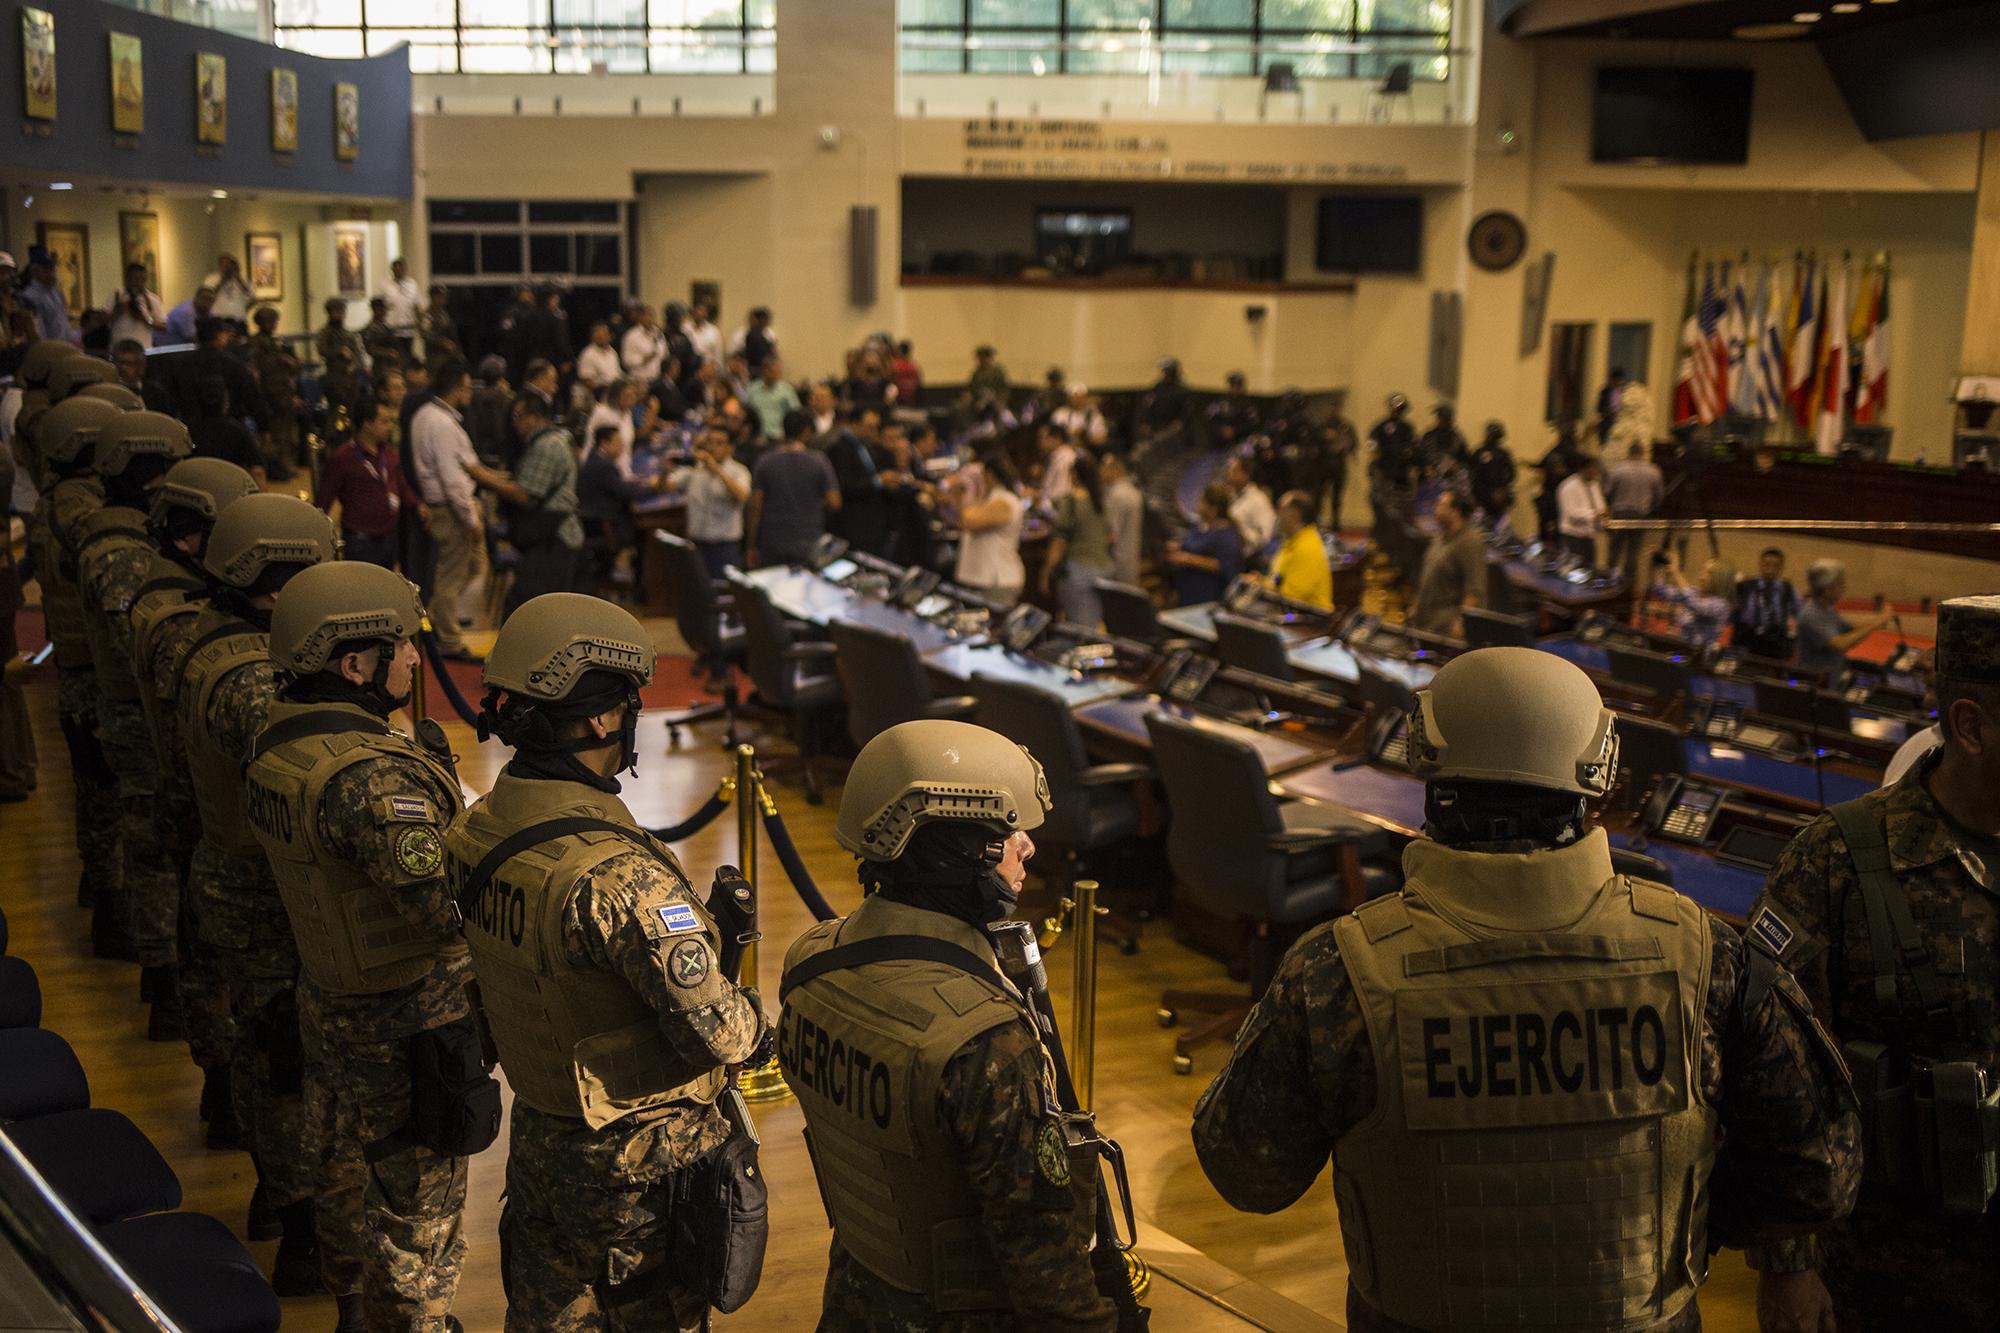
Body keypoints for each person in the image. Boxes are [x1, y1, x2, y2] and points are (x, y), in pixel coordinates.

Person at [1193, 647, 1862, 1333]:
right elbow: (1818, 1168)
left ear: (1427, 766)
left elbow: (1246, 1172)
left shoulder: (1337, 972)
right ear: (1596, 777)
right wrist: (1685, 1214)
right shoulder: (1707, 958)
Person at [447, 593, 769, 1331]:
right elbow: (721, 1035)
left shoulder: (477, 829)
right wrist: (755, 1017)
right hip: (635, 1180)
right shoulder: (618, 874)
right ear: (600, 718)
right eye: (630, 702)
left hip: (541, 1142)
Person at [781, 719, 1120, 1331]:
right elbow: (1046, 1272)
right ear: (955, 849)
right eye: (1008, 830)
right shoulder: (984, 1041)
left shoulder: (808, 963)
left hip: (855, 1298)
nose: (1029, 847)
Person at [1748, 595, 2000, 1330]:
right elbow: (1770, 1072)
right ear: (1971, 726)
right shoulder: (1837, 861)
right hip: (1894, 1278)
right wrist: (1788, 1264)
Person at [245, 562, 485, 1333]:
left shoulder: (279, 736)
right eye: (402, 647)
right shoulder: (374, 778)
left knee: (344, 1171)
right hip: (408, 1021)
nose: (415, 661)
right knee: (419, 1208)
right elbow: (445, 914)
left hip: (329, 998)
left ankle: (355, 1309)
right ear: (355, 664)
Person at [176, 493, 342, 1295]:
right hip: (264, 894)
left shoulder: (211, 642)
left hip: (229, 872)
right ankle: (304, 1225)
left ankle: (284, 1199)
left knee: (263, 1049)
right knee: (285, 1061)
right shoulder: (255, 681)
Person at [130, 457, 260, 1125]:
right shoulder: (225, 651)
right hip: (218, 825)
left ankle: (218, 1086)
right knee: (229, 973)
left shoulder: (173, 609)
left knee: (202, 951)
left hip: (184, 802)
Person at [78, 411, 193, 1035]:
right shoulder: (123, 554)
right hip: (137, 725)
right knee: (155, 853)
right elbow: (142, 652)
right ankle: (165, 980)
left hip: (132, 719)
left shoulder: (119, 538)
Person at [35, 393, 131, 955]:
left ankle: (102, 890)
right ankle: (112, 909)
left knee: (94, 794)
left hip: (76, 670)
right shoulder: (82, 515)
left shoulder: (57, 502)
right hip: (93, 676)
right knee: (105, 798)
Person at [409, 361, 508, 662]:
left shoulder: (426, 416)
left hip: (450, 505)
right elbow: (453, 480)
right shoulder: (441, 424)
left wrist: (503, 481)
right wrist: (470, 518)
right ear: (455, 389)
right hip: (452, 509)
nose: (469, 393)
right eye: (466, 387)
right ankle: (448, 639)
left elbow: (471, 465)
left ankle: (440, 618)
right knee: (452, 575)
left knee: (471, 568)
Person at [317, 398, 426, 569]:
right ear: (367, 424)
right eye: (384, 422)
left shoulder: (388, 453)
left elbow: (401, 485)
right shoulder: (343, 458)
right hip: (360, 542)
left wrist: (418, 505)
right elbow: (324, 500)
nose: (389, 426)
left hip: (389, 538)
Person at [502, 391, 585, 613]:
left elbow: (525, 494)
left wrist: (480, 476)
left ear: (534, 416)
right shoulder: (552, 440)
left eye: (518, 417)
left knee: (526, 609)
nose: (516, 424)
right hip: (550, 535)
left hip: (553, 538)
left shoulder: (548, 444)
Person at [747, 408, 840, 568]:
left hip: (772, 541)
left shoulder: (765, 461)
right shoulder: (819, 461)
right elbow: (835, 502)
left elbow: (755, 507)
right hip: (809, 539)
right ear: (806, 432)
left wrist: (751, 546)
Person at [1041, 452, 1113, 628]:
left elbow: (1058, 544)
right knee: (1093, 622)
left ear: (1074, 475)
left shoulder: (1071, 502)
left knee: (1079, 629)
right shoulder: (1100, 501)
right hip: (1104, 568)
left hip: (1078, 570)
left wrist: (1045, 573)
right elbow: (1111, 536)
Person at [1795, 559, 1890, 684]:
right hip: (1815, 687)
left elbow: (1851, 630)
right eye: (1840, 584)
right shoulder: (1811, 614)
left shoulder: (1827, 609)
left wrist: (1877, 621)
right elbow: (1841, 644)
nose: (1844, 588)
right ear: (1827, 587)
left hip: (1831, 681)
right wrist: (1875, 623)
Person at [952, 451, 1028, 606]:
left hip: (998, 580)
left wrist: (960, 495)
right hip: (985, 580)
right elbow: (963, 520)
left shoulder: (1004, 501)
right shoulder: (991, 499)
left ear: (990, 474)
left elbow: (969, 522)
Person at [1407, 490, 1487, 637]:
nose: (1435, 509)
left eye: (1441, 505)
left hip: (1444, 624)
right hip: (1426, 619)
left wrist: (1460, 622)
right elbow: (1427, 574)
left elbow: (1474, 590)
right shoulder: (1440, 537)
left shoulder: (1470, 542)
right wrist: (1416, 604)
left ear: (1454, 512)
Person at [1163, 481, 1242, 607]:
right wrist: (1178, 547)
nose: (1197, 503)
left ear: (1213, 509)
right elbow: (1190, 546)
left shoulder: (1226, 535)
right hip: (1187, 594)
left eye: (1201, 501)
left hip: (1207, 598)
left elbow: (1224, 566)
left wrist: (1187, 559)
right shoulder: (1200, 526)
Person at [248, 306, 303, 479]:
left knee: (288, 433)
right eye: (270, 321)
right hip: (269, 392)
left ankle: (286, 464)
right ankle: (274, 467)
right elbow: (257, 367)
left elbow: (295, 364)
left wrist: (292, 363)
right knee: (274, 433)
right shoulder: (256, 343)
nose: (273, 325)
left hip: (285, 391)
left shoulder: (278, 341)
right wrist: (279, 361)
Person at [1649, 549, 1736, 651]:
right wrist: (1656, 566)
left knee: (1672, 661)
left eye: (1708, 572)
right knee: (1664, 658)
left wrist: (1676, 572)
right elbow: (1660, 590)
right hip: (1679, 653)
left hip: (1697, 660)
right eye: (1703, 569)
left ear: (1719, 578)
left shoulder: (1722, 605)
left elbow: (1696, 606)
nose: (1701, 575)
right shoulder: (1695, 592)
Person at [1264, 489, 1333, 609]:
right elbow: (1278, 580)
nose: (1276, 514)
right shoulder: (1292, 542)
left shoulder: (1307, 548)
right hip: (1287, 614)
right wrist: (1261, 582)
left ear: (1294, 514)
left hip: (1306, 622)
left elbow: (1292, 598)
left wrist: (1262, 587)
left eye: (1281, 509)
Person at [1604, 440, 1664, 576]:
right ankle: (1628, 585)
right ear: (1642, 453)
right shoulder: (1653, 471)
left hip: (1620, 514)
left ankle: (1608, 581)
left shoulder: (1618, 470)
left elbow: (1607, 493)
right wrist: (1651, 509)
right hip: (1641, 515)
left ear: (1629, 452)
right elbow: (1659, 496)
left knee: (1615, 550)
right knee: (1633, 551)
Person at [1733, 547, 1803, 662]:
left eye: (1775, 566)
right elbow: (1733, 612)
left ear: (1781, 568)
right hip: (1746, 640)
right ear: (1760, 564)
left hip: (1776, 644)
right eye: (1766, 564)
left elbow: (1800, 614)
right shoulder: (1745, 586)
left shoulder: (1788, 589)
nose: (1770, 569)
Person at [316, 297, 365, 429]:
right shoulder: (325, 333)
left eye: (342, 310)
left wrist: (354, 364)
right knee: (336, 416)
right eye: (337, 311)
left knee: (352, 414)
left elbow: (358, 354)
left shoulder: (348, 334)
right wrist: (339, 351)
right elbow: (322, 350)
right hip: (335, 378)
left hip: (351, 378)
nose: (341, 314)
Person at [1554, 452, 1607, 566]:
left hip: (1589, 537)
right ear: (1583, 469)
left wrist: (1602, 521)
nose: (1595, 473)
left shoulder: (1594, 485)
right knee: (1575, 572)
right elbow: (1572, 514)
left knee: (1590, 571)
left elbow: (1600, 507)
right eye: (1593, 469)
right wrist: (1595, 514)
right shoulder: (1568, 487)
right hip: (1573, 538)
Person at [1100, 451, 1144, 588]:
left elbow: (1111, 534)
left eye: (1103, 466)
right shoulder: (1133, 491)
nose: (1100, 470)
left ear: (1115, 469)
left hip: (1117, 561)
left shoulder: (1117, 495)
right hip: (1131, 556)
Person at [1223, 454, 1276, 558]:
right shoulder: (1226, 496)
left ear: (1246, 474)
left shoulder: (1258, 500)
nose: (1228, 474)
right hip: (1225, 550)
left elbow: (1266, 538)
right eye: (1228, 470)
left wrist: (1240, 531)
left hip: (1246, 557)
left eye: (1233, 471)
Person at [107, 261, 167, 348]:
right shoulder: (116, 295)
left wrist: (146, 319)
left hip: (144, 349)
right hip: (119, 349)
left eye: (142, 279)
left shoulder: (152, 299)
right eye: (135, 279)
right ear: (127, 278)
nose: (139, 283)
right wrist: (118, 311)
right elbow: (103, 321)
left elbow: (164, 327)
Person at [744, 355, 800, 445]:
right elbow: (746, 411)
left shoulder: (786, 390)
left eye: (778, 370)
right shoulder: (752, 389)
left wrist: (787, 433)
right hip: (756, 437)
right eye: (773, 370)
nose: (777, 373)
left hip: (779, 437)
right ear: (764, 370)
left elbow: (795, 413)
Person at [1466, 421, 1516, 521]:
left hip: (1497, 499)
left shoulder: (1504, 454)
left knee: (1496, 526)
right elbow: (1470, 471)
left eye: (1489, 434)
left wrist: (1501, 492)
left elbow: (1511, 474)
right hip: (1480, 497)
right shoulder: (1479, 452)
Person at [1367, 393, 1417, 492]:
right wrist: (1375, 452)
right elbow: (1371, 441)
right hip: (1383, 469)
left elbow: (1413, 445)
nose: (1396, 412)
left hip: (1402, 471)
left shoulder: (1407, 427)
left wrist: (1409, 454)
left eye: (1400, 409)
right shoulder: (1381, 426)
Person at [19, 248, 71, 341]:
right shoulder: (30, 296)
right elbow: (39, 330)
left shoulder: (54, 291)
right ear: (34, 271)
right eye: (46, 270)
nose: (52, 274)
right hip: (48, 349)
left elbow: (63, 321)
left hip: (64, 347)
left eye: (53, 270)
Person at [378, 257, 422, 359]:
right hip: (392, 329)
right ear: (392, 270)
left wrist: (420, 326)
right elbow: (381, 306)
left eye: (400, 268)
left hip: (408, 329)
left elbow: (416, 306)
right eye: (395, 268)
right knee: (395, 357)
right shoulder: (385, 285)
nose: (398, 270)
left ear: (405, 269)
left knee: (407, 356)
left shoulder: (412, 284)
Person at [202, 253, 255, 325]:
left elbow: (251, 296)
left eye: (230, 265)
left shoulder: (243, 281)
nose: (228, 268)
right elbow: (208, 296)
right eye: (225, 265)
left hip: (238, 319)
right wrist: (222, 281)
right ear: (220, 266)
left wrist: (238, 279)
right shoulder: (211, 279)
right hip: (218, 319)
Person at [1416, 402, 1466, 475]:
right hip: (1429, 475)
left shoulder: (1456, 438)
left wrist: (1456, 465)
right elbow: (1420, 455)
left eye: (1440, 418)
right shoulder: (1429, 435)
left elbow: (1464, 459)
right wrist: (1425, 467)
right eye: (1439, 417)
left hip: (1449, 477)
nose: (1438, 420)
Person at [422, 283, 461, 367]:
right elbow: (425, 335)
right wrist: (443, 342)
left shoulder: (444, 314)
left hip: (447, 357)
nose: (442, 300)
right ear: (432, 297)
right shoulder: (427, 315)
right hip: (434, 357)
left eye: (444, 297)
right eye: (439, 296)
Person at [731, 305, 778, 374]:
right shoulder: (750, 334)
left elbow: (773, 353)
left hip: (765, 368)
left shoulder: (769, 334)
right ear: (759, 320)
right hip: (753, 369)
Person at [576, 321, 621, 392]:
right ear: (593, 337)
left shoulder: (612, 352)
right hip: (600, 391)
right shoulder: (588, 354)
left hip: (615, 389)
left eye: (604, 335)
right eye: (599, 335)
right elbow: (587, 380)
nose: (602, 337)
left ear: (609, 336)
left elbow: (617, 373)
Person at [362, 298, 402, 374]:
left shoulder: (383, 326)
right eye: (382, 309)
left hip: (390, 366)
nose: (385, 312)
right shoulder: (370, 329)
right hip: (380, 368)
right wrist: (387, 353)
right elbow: (370, 349)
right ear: (376, 310)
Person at [1595, 365, 1629, 446]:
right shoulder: (1605, 391)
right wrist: (1609, 411)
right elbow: (1599, 408)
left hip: (1622, 424)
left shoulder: (1626, 392)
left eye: (1620, 379)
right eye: (1616, 379)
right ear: (1612, 379)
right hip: (1607, 424)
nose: (1618, 382)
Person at [687, 300, 724, 370]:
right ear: (692, 312)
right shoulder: (685, 329)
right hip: (688, 371)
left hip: (707, 371)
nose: (699, 313)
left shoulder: (714, 332)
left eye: (702, 310)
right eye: (696, 310)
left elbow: (718, 357)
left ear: (706, 314)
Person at [889, 338, 922, 402]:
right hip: (910, 399)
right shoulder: (914, 366)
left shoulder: (895, 365)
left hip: (897, 400)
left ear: (899, 351)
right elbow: (918, 383)